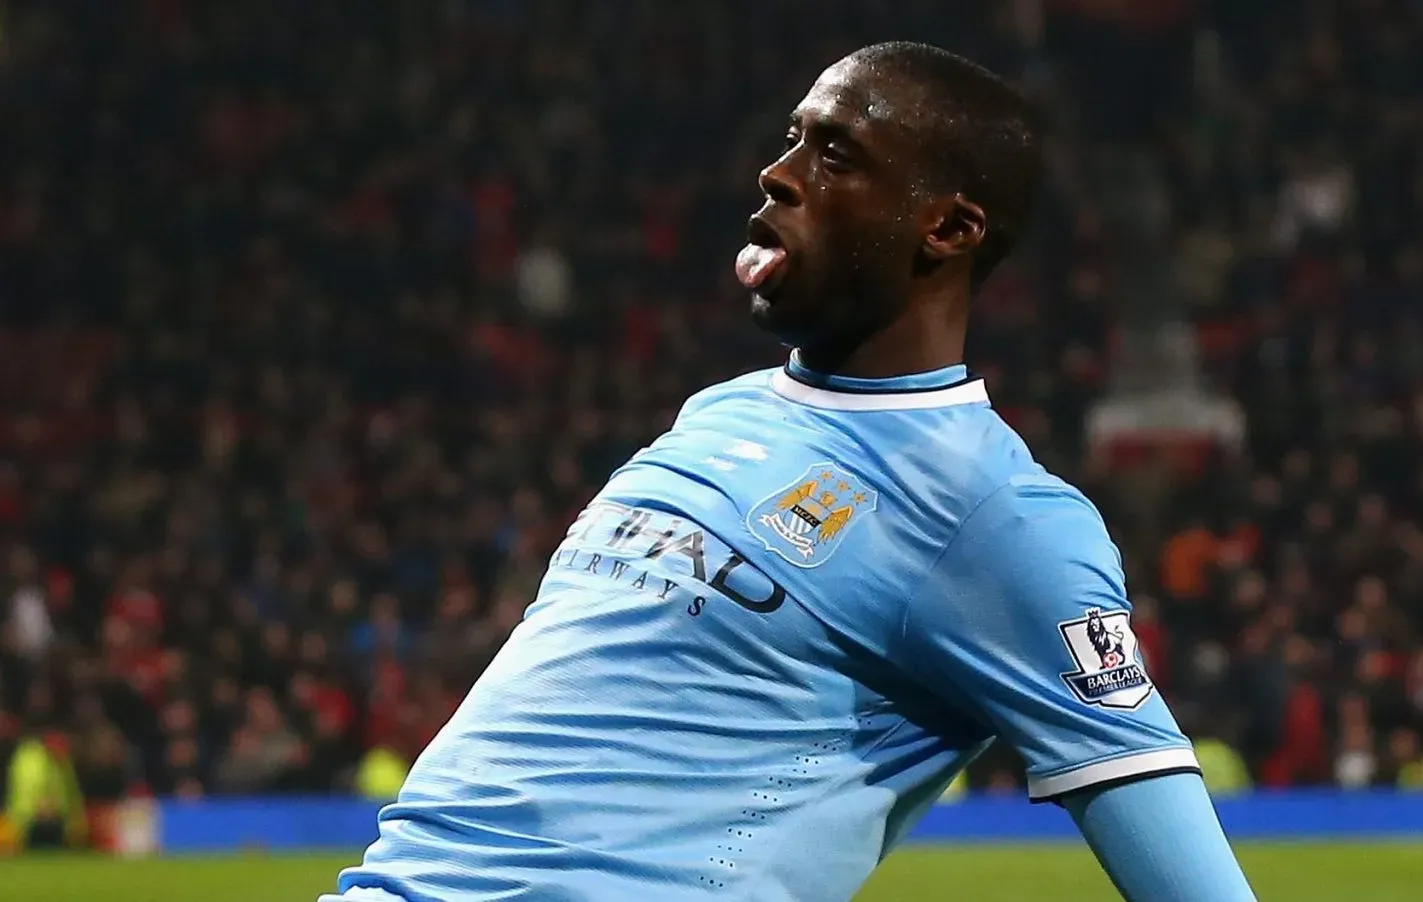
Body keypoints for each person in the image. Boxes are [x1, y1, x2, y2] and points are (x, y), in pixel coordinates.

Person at [327, 42, 1255, 901]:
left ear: (947, 227)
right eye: (793, 139)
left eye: (837, 155)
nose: (778, 173)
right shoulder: (717, 414)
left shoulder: (995, 516)